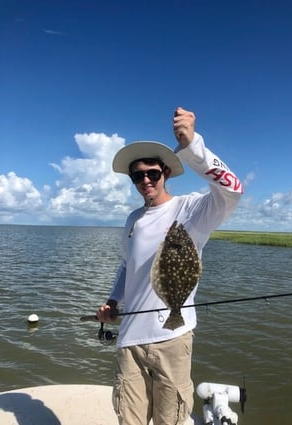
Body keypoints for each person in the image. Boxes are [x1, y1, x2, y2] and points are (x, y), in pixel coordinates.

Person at [97, 107, 243, 425]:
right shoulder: (132, 219)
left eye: (153, 173)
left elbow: (233, 190)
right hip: (129, 340)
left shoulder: (191, 210)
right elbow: (126, 266)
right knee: (128, 419)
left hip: (173, 339)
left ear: (165, 173)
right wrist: (112, 301)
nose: (146, 179)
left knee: (172, 421)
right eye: (138, 175)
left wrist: (194, 146)